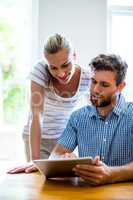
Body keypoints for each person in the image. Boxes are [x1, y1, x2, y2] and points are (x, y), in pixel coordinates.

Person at [8, 33, 91, 173]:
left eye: (65, 65)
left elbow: (94, 115)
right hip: (36, 137)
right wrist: (35, 161)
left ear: (75, 56)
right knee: (37, 178)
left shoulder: (87, 77)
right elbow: (36, 115)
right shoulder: (40, 70)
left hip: (62, 139)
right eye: (53, 67)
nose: (61, 73)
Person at [49, 54, 133, 185]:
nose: (95, 89)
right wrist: (64, 159)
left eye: (104, 85)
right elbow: (54, 155)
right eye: (93, 81)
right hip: (87, 194)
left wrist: (111, 174)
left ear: (120, 86)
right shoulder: (78, 117)